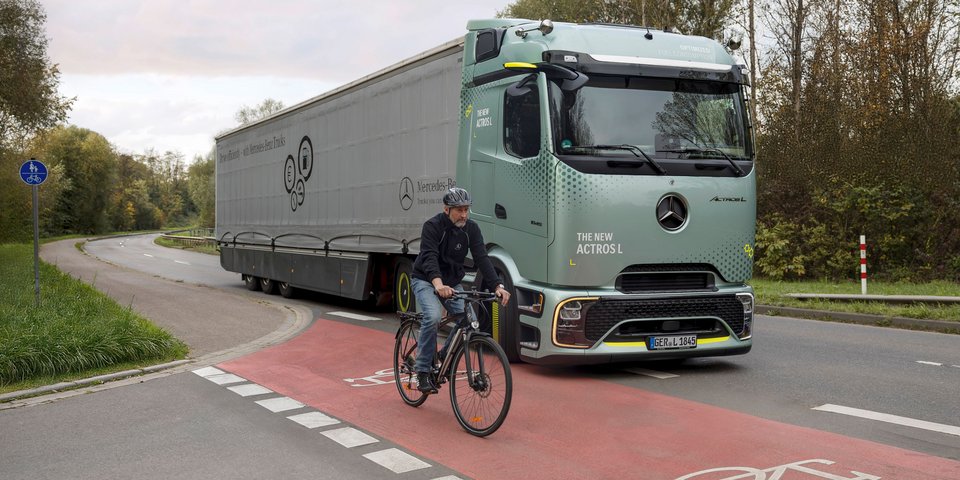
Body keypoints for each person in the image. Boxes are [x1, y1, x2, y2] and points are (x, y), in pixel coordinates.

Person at [411, 187, 510, 393]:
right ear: (446, 209)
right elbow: (428, 257)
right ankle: (421, 371)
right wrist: (437, 284)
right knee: (433, 316)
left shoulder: (471, 229)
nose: (464, 214)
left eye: (466, 209)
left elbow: (482, 258)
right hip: (426, 280)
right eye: (459, 210)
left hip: (451, 283)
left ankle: (441, 356)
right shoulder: (432, 226)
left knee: (469, 321)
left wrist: (497, 286)